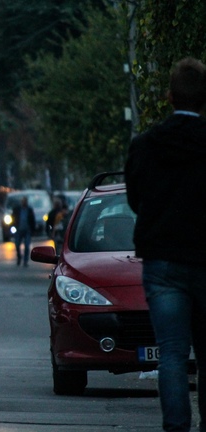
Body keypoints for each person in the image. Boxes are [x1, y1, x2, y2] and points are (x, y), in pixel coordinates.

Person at [125, 57, 206, 432]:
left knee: (171, 354)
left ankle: (176, 427)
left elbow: (134, 198)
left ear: (170, 96)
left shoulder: (145, 146)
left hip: (163, 261)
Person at [12, 196, 35, 267]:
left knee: (27, 246)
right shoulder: (17, 209)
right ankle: (19, 257)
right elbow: (13, 218)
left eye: (25, 201)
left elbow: (32, 220)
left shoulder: (29, 210)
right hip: (19, 229)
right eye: (23, 201)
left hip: (27, 230)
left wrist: (32, 230)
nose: (24, 203)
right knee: (17, 244)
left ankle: (25, 261)